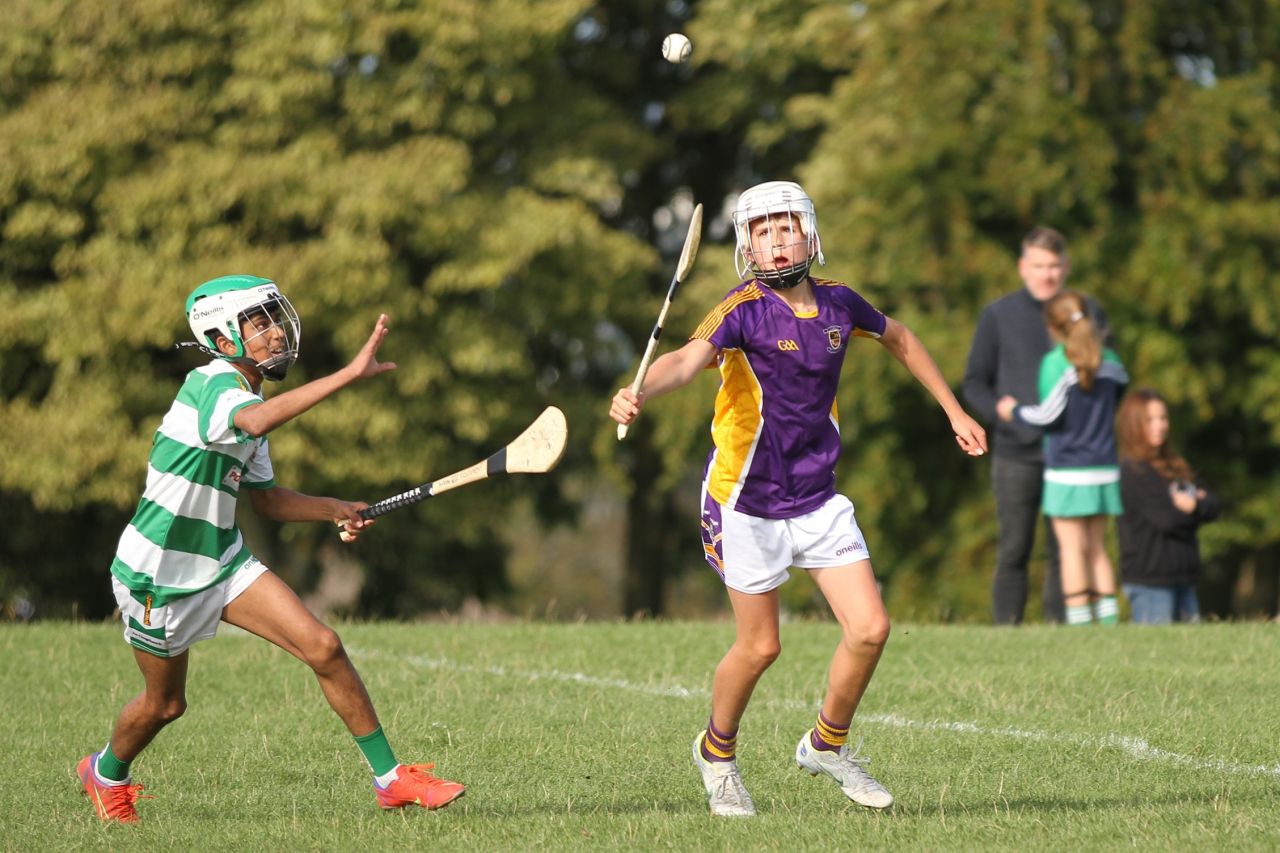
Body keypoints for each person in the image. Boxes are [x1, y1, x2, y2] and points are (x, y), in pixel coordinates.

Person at [610, 181, 987, 817]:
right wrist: (642, 389)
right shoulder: (741, 309)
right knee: (761, 648)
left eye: (787, 227)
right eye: (763, 230)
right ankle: (716, 754)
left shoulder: (842, 305)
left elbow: (901, 338)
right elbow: (684, 359)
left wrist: (953, 410)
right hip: (744, 503)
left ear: (810, 234)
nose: (777, 239)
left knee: (870, 629)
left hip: (816, 498)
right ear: (747, 247)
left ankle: (826, 744)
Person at [76, 275, 464, 823]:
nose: (276, 334)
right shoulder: (210, 385)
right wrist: (350, 375)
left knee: (324, 645)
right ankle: (105, 772)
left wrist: (334, 507)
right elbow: (254, 420)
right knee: (164, 705)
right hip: (156, 575)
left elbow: (268, 501)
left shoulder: (248, 401)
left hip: (222, 562)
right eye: (259, 324)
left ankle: (390, 779)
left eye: (274, 320)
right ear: (221, 337)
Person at [963, 227, 1110, 625]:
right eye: (1039, 266)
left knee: (1069, 549)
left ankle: (1061, 632)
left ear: (1066, 267)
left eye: (1054, 266)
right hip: (1017, 453)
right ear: (1023, 267)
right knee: (1015, 548)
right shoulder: (998, 315)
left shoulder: (1088, 313)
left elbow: (1108, 377)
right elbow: (974, 382)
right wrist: (1001, 412)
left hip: (1072, 454)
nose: (1047, 275)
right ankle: (1006, 632)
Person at [997, 289, 1128, 626]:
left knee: (1071, 549)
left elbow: (1047, 416)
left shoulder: (1057, 363)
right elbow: (1119, 396)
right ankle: (1109, 623)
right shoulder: (1111, 361)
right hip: (1105, 467)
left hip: (1069, 470)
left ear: (1053, 329)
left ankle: (1081, 623)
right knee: (1098, 548)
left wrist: (1014, 410)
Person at [1115, 389, 1221, 624]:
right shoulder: (1133, 471)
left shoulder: (1175, 467)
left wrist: (1193, 506)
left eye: (1163, 418)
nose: (1160, 425)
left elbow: (1213, 505)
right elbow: (1166, 519)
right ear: (1133, 425)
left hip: (1185, 578)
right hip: (1151, 584)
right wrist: (1195, 510)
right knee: (1156, 657)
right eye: (1150, 420)